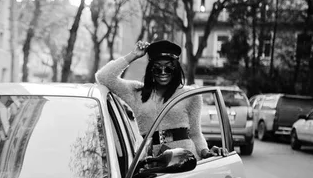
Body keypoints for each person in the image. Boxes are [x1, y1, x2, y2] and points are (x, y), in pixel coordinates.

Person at [95, 39, 227, 159]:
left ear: (175, 69)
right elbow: (104, 77)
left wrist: (205, 152)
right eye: (158, 68)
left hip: (186, 160)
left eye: (168, 68)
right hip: (152, 162)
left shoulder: (190, 95)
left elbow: (195, 134)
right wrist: (133, 55)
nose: (163, 72)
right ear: (151, 70)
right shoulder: (137, 92)